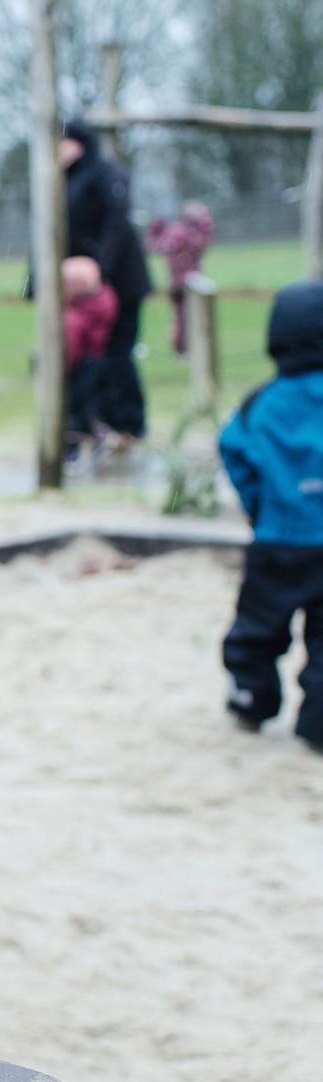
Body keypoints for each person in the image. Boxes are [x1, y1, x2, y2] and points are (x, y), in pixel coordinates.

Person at [217, 279, 323, 752]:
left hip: (277, 541)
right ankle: (317, 727)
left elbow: (232, 447)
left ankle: (250, 702)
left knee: (257, 633)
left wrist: (256, 501)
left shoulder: (262, 403)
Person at [61, 119, 152, 441]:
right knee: (88, 358)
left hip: (117, 283)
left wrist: (99, 270)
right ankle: (96, 422)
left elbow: (114, 225)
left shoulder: (104, 174)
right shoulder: (65, 179)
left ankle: (128, 424)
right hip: (84, 289)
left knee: (117, 355)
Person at [62, 256, 119, 453]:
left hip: (79, 366)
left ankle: (72, 449)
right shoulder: (104, 300)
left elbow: (71, 347)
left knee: (74, 409)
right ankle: (99, 436)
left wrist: (64, 366)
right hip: (97, 359)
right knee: (90, 406)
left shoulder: (74, 317)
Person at [147, 201, 215, 356]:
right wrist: (206, 223)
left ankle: (183, 347)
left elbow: (153, 244)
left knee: (180, 316)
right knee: (189, 315)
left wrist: (155, 229)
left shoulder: (171, 232)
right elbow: (204, 242)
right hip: (190, 281)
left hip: (175, 281)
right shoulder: (189, 234)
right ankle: (187, 348)